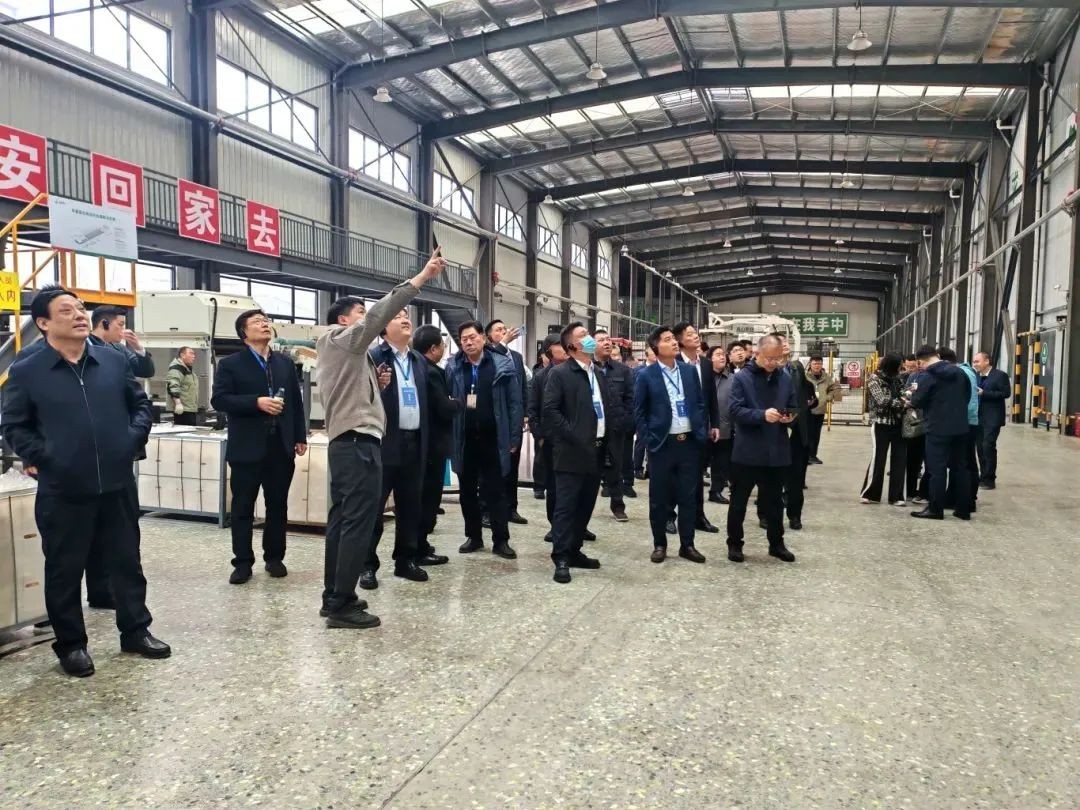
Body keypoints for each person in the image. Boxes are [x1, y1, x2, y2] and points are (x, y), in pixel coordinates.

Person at [2, 285, 168, 677]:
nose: (79, 315)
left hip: (117, 484)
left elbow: (139, 405)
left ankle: (136, 631)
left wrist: (130, 440)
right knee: (64, 569)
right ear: (43, 323)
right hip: (64, 489)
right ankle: (72, 645)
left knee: (126, 561)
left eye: (80, 308)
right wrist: (48, 458)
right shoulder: (28, 369)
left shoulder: (111, 360)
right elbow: (14, 425)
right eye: (67, 310)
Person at [317, 250, 447, 630]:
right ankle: (342, 603)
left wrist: (376, 384)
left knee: (342, 522)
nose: (368, 317)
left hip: (350, 444)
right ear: (344, 320)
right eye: (360, 312)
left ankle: (333, 595)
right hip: (358, 445)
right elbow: (380, 313)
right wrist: (421, 278)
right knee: (357, 524)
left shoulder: (345, 351)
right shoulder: (342, 338)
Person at [212, 309, 307, 585]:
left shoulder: (284, 364)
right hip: (247, 447)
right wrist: (256, 402)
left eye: (266, 321)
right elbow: (219, 400)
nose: (265, 325)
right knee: (242, 506)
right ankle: (242, 562)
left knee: (277, 504)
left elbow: (296, 402)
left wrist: (299, 435)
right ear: (244, 333)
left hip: (280, 446)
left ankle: (274, 557)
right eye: (257, 322)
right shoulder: (231, 364)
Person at [363, 309, 436, 590]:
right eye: (397, 316)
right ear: (383, 327)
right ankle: (367, 565)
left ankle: (405, 560)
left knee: (410, 507)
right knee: (375, 508)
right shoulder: (373, 357)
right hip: (384, 443)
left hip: (414, 442)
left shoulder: (418, 360)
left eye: (407, 315)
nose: (405, 319)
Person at [634, 325, 708, 565]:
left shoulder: (688, 371)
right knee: (659, 498)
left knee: (688, 497)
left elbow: (699, 403)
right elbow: (639, 411)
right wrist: (648, 440)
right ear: (656, 347)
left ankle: (688, 545)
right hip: (662, 444)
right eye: (667, 340)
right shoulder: (646, 375)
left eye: (674, 339)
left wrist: (701, 431)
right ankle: (659, 544)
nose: (674, 342)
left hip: (689, 443)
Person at [449, 321, 523, 559]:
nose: (468, 342)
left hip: (494, 438)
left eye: (472, 337)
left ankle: (501, 540)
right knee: (467, 492)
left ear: (483, 337)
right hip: (465, 439)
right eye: (464, 339)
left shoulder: (501, 364)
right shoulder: (453, 366)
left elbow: (514, 403)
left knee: (496, 491)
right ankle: (473, 536)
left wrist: (514, 436)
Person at [542, 323, 609, 583]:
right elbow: (551, 410)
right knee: (566, 507)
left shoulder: (597, 372)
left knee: (585, 505)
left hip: (597, 449)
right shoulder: (560, 374)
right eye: (583, 336)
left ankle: (574, 550)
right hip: (571, 452)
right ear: (571, 346)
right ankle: (560, 557)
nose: (590, 338)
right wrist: (575, 435)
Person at [726, 335, 798, 563]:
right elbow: (734, 411)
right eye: (769, 358)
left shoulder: (785, 377)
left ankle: (776, 544)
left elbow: (793, 406)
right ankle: (734, 544)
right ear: (756, 354)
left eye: (778, 359)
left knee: (775, 502)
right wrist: (761, 415)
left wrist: (790, 417)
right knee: (739, 502)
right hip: (748, 451)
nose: (773, 363)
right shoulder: (742, 378)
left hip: (776, 449)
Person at [414, 324, 462, 566]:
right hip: (432, 444)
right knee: (429, 497)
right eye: (442, 345)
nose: (443, 349)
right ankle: (419, 548)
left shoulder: (414, 367)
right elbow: (443, 407)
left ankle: (419, 544)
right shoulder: (431, 372)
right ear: (433, 349)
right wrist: (458, 403)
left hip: (419, 444)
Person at [907, 345, 972, 521]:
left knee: (937, 469)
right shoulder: (960, 372)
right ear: (936, 355)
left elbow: (918, 401)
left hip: (937, 428)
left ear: (920, 361)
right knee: (961, 468)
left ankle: (935, 509)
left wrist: (911, 398)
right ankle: (963, 509)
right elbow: (967, 395)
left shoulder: (927, 376)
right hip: (960, 427)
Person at [673, 321, 720, 534]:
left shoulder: (706, 364)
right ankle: (669, 516)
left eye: (695, 333)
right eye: (690, 334)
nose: (695, 336)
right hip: (678, 427)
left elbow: (712, 397)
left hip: (701, 428)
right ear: (680, 341)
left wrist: (714, 423)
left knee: (698, 474)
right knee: (675, 474)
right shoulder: (672, 362)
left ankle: (698, 516)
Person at [485, 320, 529, 526]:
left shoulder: (517, 357)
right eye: (498, 330)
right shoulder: (487, 355)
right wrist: (502, 343)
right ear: (488, 336)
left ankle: (511, 508)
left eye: (504, 328)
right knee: (492, 468)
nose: (503, 332)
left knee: (512, 466)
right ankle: (487, 510)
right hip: (496, 419)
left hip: (514, 418)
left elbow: (523, 387)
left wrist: (525, 413)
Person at [528, 333, 567, 541]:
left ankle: (578, 525)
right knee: (553, 486)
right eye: (559, 345)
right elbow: (533, 409)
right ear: (549, 350)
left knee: (576, 486)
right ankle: (555, 526)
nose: (564, 347)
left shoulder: (579, 372)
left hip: (576, 440)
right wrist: (540, 437)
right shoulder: (541, 377)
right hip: (551, 440)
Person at [593, 329, 634, 522]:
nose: (607, 342)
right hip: (592, 428)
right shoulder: (587, 369)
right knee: (589, 470)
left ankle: (618, 506)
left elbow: (630, 399)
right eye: (601, 340)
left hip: (616, 427)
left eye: (608, 339)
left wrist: (625, 421)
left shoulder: (622, 370)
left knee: (615, 469)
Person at [859, 352, 908, 506]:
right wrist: (901, 402)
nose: (901, 368)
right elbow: (881, 400)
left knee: (900, 460)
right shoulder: (874, 379)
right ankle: (870, 494)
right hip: (881, 423)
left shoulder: (898, 379)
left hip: (899, 423)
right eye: (899, 365)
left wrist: (904, 398)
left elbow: (904, 395)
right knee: (878, 459)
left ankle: (897, 496)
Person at [945, 348, 981, 515]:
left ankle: (966, 500)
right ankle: (961, 498)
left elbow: (968, 401)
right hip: (968, 421)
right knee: (964, 462)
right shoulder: (966, 371)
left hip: (965, 422)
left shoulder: (961, 373)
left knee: (963, 463)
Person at [972, 351, 1010, 490]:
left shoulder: (1000, 375)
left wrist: (985, 393)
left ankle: (990, 479)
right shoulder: (976, 376)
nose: (975, 364)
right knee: (980, 448)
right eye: (974, 362)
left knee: (988, 446)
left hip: (993, 417)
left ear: (987, 361)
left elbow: (1006, 393)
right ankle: (983, 476)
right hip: (978, 417)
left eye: (977, 361)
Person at [89, 305, 155, 378]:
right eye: (120, 325)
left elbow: (146, 372)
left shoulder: (119, 348)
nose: (123, 329)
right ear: (104, 324)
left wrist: (138, 348)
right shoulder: (84, 346)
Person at [707, 346, 734, 504]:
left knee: (720, 462)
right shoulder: (702, 377)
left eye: (724, 354)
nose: (722, 357)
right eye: (718, 354)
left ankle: (715, 491)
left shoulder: (733, 379)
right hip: (703, 428)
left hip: (724, 428)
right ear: (710, 359)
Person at [805, 355, 838, 464]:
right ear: (810, 364)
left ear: (822, 365)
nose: (817, 366)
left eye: (819, 363)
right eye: (814, 363)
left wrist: (828, 398)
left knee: (816, 434)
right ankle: (806, 456)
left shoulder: (826, 377)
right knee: (807, 434)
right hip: (807, 410)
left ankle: (813, 455)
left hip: (820, 410)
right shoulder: (804, 376)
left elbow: (834, 389)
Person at [632, 346, 656, 480]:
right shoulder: (638, 371)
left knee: (653, 442)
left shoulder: (659, 370)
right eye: (652, 352)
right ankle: (637, 468)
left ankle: (650, 469)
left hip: (655, 411)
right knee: (641, 441)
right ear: (647, 355)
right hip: (642, 410)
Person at [166, 346, 199, 426]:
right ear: (182, 355)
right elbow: (173, 386)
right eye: (191, 353)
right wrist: (178, 404)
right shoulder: (176, 369)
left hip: (190, 409)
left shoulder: (187, 369)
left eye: (194, 354)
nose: (194, 356)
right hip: (183, 411)